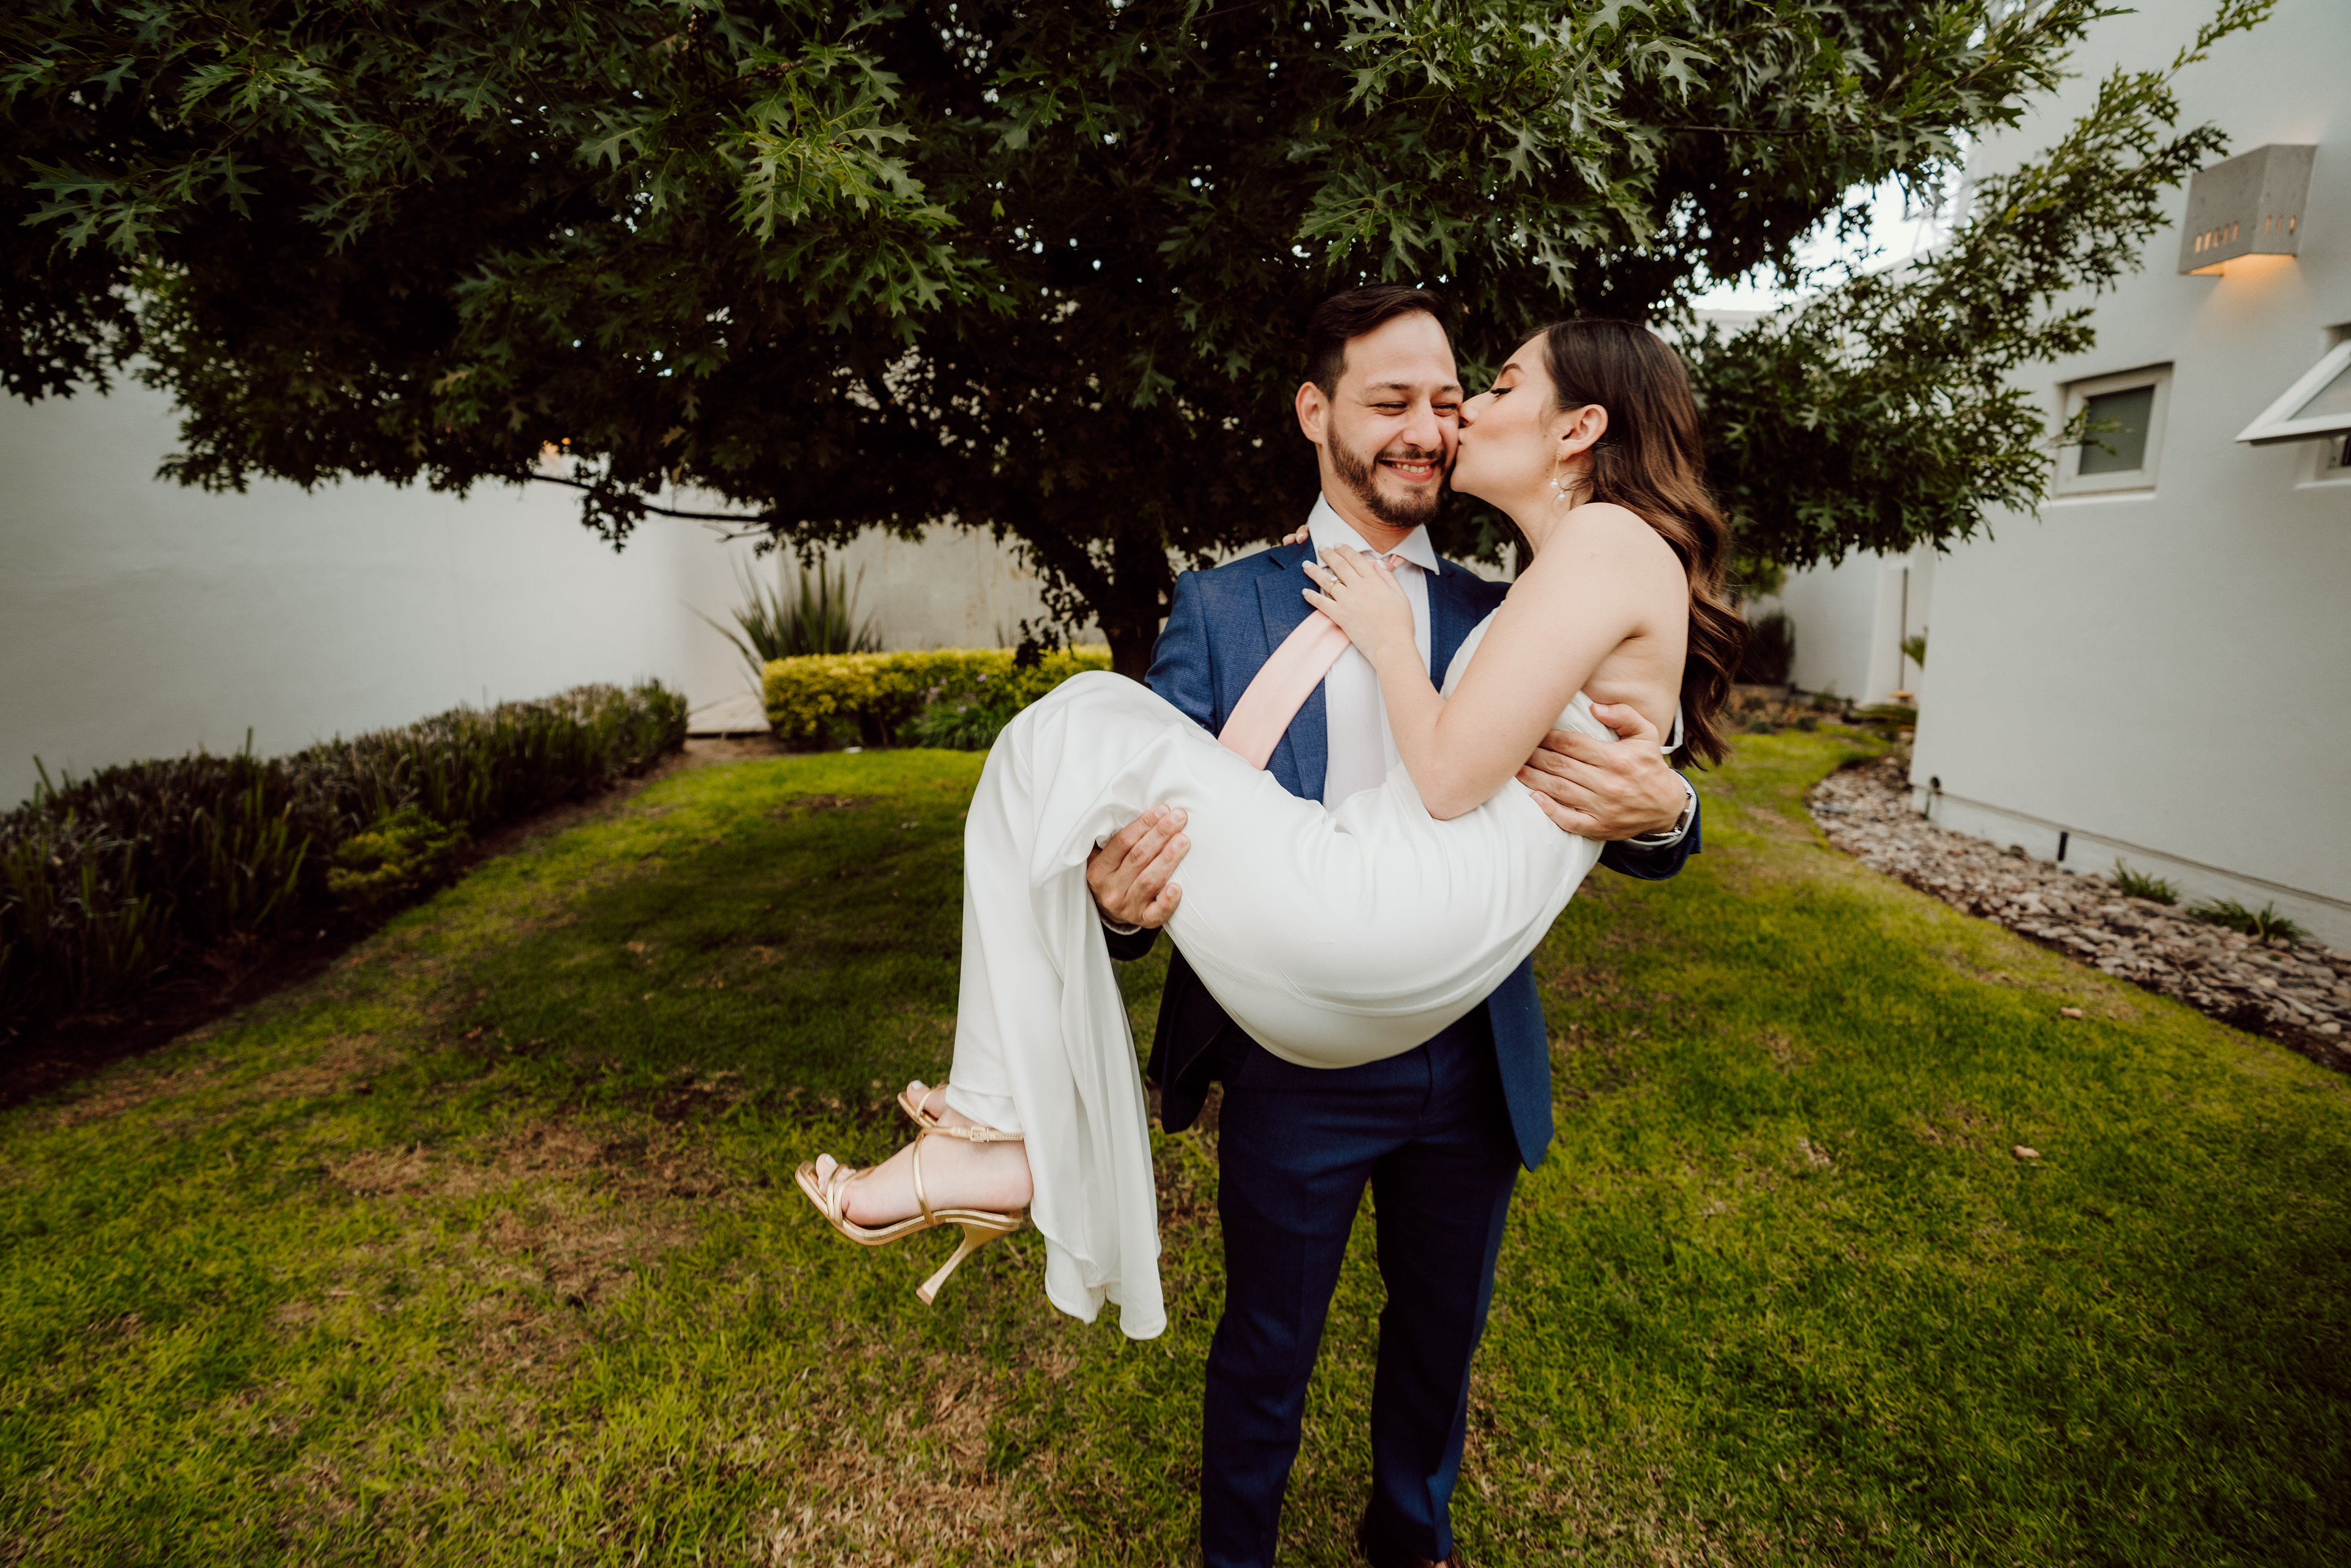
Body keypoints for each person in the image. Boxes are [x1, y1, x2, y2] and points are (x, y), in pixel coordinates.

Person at [800, 296, 1739, 1567]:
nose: (1439, 425)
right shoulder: (1223, 604)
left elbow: (1599, 785)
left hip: (1463, 1044)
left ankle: (1410, 1539)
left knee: (1441, 1340)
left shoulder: (1512, 590)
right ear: (1316, 412)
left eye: (1459, 396)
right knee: (1265, 1346)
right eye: (1394, 402)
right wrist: (1112, 900)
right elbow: (1136, 843)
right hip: (1296, 1047)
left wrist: (1671, 807)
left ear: (1574, 428)